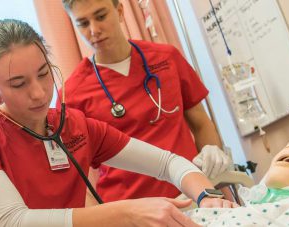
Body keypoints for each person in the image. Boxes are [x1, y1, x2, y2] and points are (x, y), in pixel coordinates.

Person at [0, 19, 235, 227]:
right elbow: (14, 220)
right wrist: (128, 213)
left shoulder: (73, 126)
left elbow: (168, 163)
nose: (38, 93)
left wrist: (206, 195)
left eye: (44, 74)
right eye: (18, 83)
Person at [60, 0, 232, 204]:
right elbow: (75, 177)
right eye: (83, 23)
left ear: (120, 11)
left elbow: (201, 123)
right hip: (133, 211)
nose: (94, 30)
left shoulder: (167, 58)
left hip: (193, 196)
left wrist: (212, 159)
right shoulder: (72, 94)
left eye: (101, 16)